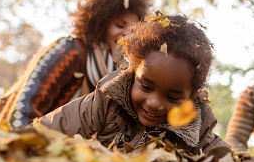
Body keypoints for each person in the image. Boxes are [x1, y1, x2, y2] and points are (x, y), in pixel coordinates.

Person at [35, 14, 230, 154]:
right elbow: (43, 133)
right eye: (145, 87)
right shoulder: (103, 103)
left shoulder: (198, 133)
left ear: (190, 96)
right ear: (134, 72)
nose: (153, 102)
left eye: (172, 97)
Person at [0, 0, 152, 128]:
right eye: (119, 25)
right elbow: (23, 107)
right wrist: (23, 142)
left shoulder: (126, 76)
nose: (127, 33)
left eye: (134, 29)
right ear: (101, 26)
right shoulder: (70, 49)